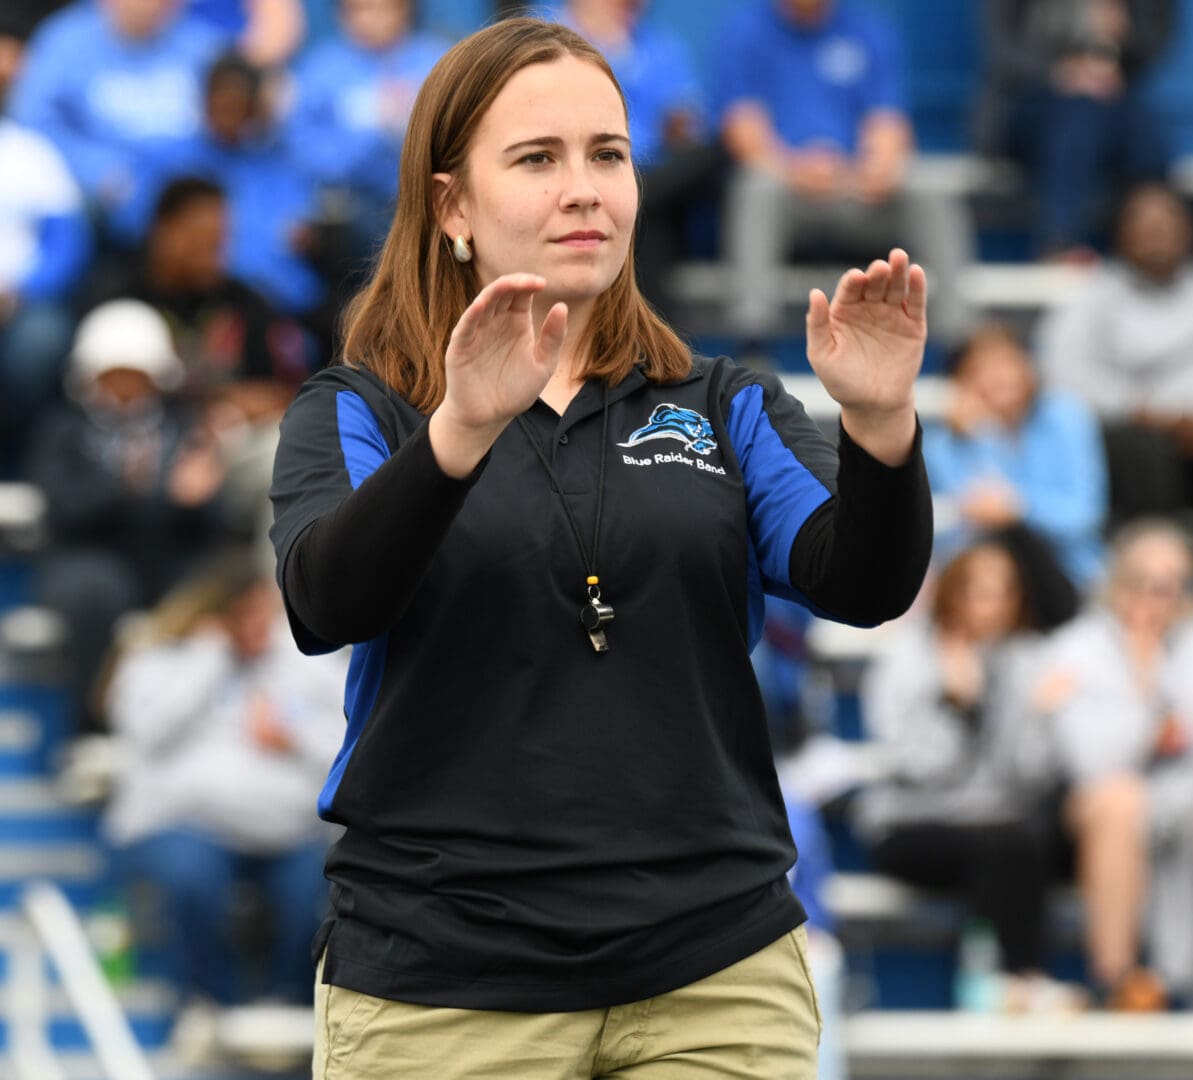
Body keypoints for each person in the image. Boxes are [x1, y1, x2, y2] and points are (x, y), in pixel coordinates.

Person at [269, 17, 933, 1078]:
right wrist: (460, 431)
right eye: (537, 159)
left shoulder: (722, 403)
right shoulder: (362, 409)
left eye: (607, 155)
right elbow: (326, 602)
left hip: (715, 972)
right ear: (451, 206)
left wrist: (881, 427)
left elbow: (861, 583)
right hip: (444, 980)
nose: (584, 190)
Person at [99, 549, 346, 1010]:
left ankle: (287, 1004)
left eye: (263, 612)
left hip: (290, 834)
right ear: (215, 612)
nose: (258, 625)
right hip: (185, 826)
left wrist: (293, 736)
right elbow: (145, 733)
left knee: (316, 887)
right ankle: (207, 1003)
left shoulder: (305, 662)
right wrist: (207, 660)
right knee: (192, 879)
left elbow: (350, 743)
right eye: (243, 614)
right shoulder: (159, 659)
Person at [854, 539, 1084, 1011]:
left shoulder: (1029, 658)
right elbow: (913, 766)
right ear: (953, 592)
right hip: (912, 820)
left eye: (1004, 592)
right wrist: (958, 709)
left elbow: (1032, 779)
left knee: (1023, 840)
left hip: (1003, 824)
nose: (992, 606)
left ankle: (1017, 979)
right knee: (1000, 845)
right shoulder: (908, 655)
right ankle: (1002, 978)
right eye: (979, 592)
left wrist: (1038, 719)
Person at [714, 0, 974, 349]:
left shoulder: (868, 31)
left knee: (928, 191)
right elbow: (743, 133)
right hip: (789, 196)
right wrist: (797, 169)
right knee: (756, 187)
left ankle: (960, 341)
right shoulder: (746, 32)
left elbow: (889, 125)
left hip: (857, 192)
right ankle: (753, 339)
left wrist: (874, 168)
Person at [25, 299, 229, 734]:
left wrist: (196, 499)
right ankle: (94, 726)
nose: (126, 388)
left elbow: (210, 521)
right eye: (115, 376)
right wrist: (126, 487)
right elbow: (62, 508)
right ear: (89, 376)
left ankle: (195, 729)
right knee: (93, 592)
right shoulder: (62, 430)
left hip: (166, 555)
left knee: (209, 588)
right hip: (86, 557)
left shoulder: (184, 428)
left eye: (136, 376)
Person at [1035, 518, 1193, 1008]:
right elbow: (1087, 760)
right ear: (1118, 583)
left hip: (1175, 794)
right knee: (1121, 801)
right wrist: (1149, 721)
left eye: (1173, 585)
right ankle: (1116, 976)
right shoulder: (1075, 647)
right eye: (1145, 582)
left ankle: (1175, 976)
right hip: (1081, 802)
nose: (1157, 598)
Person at [553, 0, 728, 324]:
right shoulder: (543, 31)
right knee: (649, 219)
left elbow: (686, 124)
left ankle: (633, 196)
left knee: (712, 153)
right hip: (580, 167)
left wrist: (680, 123)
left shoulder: (660, 45)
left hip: (652, 168)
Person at [8, 0, 224, 246]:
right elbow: (32, 122)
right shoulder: (66, 41)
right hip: (95, 201)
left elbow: (231, 129)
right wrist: (96, 168)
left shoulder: (204, 46)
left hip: (189, 190)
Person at [1036, 183, 1193, 522]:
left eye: (1167, 221)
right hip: (1122, 437)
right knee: (1140, 448)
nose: (1157, 232)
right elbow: (1064, 375)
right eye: (1144, 223)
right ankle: (1151, 545)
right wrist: (1142, 410)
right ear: (1121, 232)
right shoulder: (1089, 297)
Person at [976, 0, 1175, 259]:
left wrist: (1126, 33)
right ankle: (1059, 244)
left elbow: (1153, 44)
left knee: (1144, 135)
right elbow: (1003, 50)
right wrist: (1062, 74)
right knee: (1079, 119)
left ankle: (1154, 250)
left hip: (1111, 99)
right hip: (1029, 103)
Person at [925, 322, 1108, 591]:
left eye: (1006, 363)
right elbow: (956, 528)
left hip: (1068, 572)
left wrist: (1019, 508)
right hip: (983, 583)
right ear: (961, 379)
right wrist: (985, 435)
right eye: (981, 368)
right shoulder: (941, 443)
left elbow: (1082, 515)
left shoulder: (1066, 417)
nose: (998, 377)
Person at [0, 9, 91, 469]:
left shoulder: (31, 152)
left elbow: (68, 242)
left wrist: (21, 291)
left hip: (21, 303)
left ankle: (21, 464)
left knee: (41, 342)